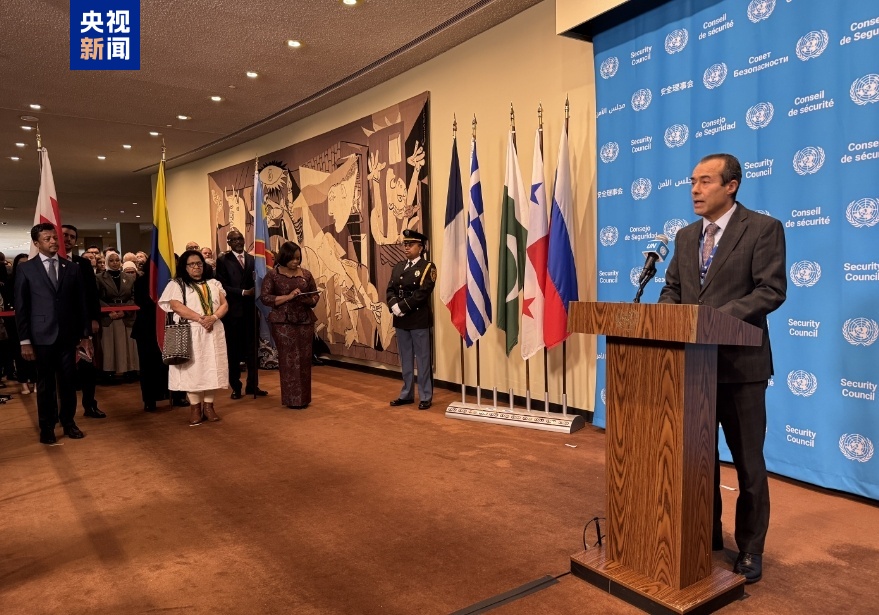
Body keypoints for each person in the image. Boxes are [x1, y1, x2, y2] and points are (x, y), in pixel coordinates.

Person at [658, 153, 786, 584]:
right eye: (692, 181)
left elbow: (770, 290)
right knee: (698, 460)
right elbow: (672, 289)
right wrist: (668, 316)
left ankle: (750, 549)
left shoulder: (763, 229)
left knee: (748, 465)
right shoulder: (685, 236)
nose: (695, 189)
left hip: (741, 367)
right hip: (692, 367)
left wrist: (713, 319)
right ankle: (705, 532)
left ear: (731, 186)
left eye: (706, 181)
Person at [14, 223, 92, 444]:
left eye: (54, 238)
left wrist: (85, 334)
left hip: (68, 336)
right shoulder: (26, 269)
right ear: (36, 243)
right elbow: (21, 307)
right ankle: (47, 427)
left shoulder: (72, 268)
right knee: (46, 384)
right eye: (47, 239)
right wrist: (24, 340)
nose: (53, 242)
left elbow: (81, 304)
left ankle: (68, 422)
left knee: (68, 382)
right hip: (41, 337)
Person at [158, 250, 229, 425]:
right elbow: (176, 306)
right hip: (191, 331)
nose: (196, 267)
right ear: (184, 267)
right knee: (193, 371)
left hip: (213, 330)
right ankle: (195, 408)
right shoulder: (177, 284)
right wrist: (201, 319)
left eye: (199, 263)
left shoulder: (213, 283)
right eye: (191, 264)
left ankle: (209, 406)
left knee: (212, 368)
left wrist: (213, 317)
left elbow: (224, 304)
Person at [260, 241, 319, 409]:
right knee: (289, 359)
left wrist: (310, 299)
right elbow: (265, 298)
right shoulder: (273, 275)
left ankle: (303, 399)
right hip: (283, 322)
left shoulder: (306, 274)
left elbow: (315, 295)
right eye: (292, 258)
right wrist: (289, 297)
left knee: (304, 358)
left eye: (298, 258)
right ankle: (292, 399)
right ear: (284, 257)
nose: (296, 262)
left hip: (304, 320)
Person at [386, 229, 436, 410]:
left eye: (411, 244)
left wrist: (402, 307)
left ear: (420, 247)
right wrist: (393, 305)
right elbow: (390, 289)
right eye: (405, 244)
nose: (406, 247)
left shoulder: (427, 267)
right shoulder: (399, 266)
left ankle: (425, 396)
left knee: (423, 360)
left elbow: (422, 293)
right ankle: (406, 394)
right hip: (401, 319)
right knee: (405, 359)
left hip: (418, 319)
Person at [216, 229, 267, 399]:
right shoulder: (223, 260)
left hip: (251, 313)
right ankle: (236, 387)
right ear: (229, 243)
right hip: (232, 314)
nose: (238, 242)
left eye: (240, 238)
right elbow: (221, 286)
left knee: (252, 351)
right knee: (234, 353)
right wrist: (243, 292)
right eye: (234, 240)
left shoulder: (253, 259)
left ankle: (253, 385)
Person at [61, 224, 106, 418]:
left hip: (82, 326)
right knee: (63, 371)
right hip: (58, 326)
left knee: (87, 368)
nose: (68, 239)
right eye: (64, 235)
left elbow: (91, 294)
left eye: (72, 236)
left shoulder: (83, 264)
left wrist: (94, 319)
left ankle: (90, 405)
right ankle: (63, 412)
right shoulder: (49, 263)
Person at [131, 259, 170, 411]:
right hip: (146, 328)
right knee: (148, 366)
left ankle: (175, 395)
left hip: (169, 326)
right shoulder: (141, 282)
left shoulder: (172, 282)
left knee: (171, 363)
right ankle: (149, 399)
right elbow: (140, 301)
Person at [96, 251, 139, 383]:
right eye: (111, 260)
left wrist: (125, 311)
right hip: (109, 317)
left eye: (117, 260)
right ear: (106, 262)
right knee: (109, 346)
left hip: (126, 316)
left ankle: (130, 370)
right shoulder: (99, 278)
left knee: (128, 346)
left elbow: (134, 296)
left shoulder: (129, 278)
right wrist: (109, 311)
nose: (115, 263)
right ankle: (109, 372)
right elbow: (96, 297)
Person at [4, 254, 37, 395]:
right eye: (21, 263)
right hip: (14, 322)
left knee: (36, 352)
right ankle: (23, 383)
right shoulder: (9, 282)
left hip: (34, 321)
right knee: (19, 353)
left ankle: (35, 380)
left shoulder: (36, 280)